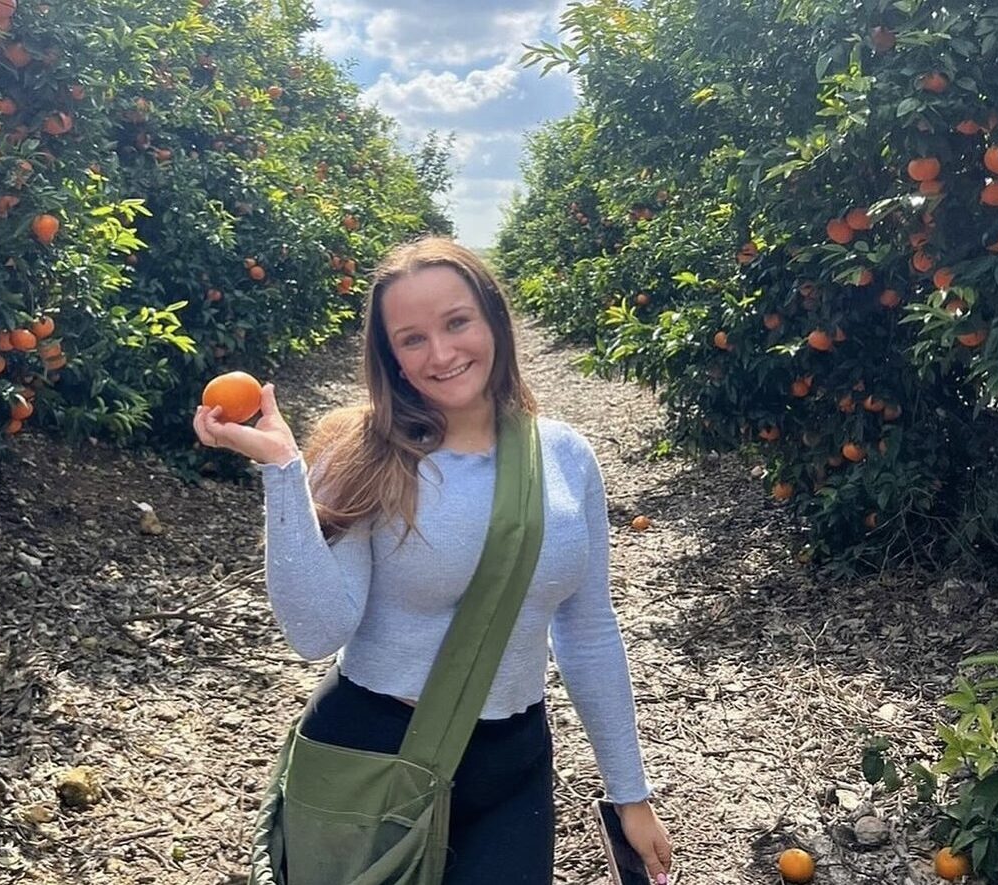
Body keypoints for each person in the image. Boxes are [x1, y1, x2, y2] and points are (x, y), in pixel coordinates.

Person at [193, 236, 672, 884]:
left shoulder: (563, 456)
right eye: (411, 338)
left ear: (492, 318)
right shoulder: (360, 451)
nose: (442, 353)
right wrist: (283, 470)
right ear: (387, 354)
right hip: (372, 753)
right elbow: (315, 631)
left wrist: (628, 791)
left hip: (512, 764)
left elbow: (587, 630)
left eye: (456, 322)